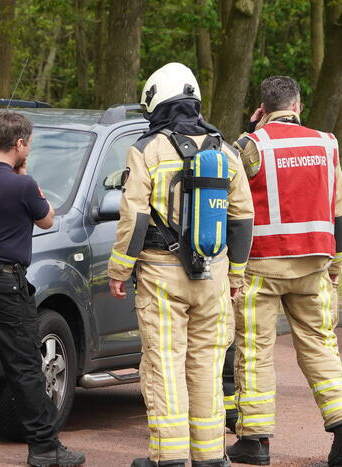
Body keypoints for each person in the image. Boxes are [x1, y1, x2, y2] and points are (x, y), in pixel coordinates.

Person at [108, 62, 254, 467]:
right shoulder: (226, 150)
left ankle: (168, 458)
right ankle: (210, 457)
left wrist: (119, 270)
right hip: (215, 275)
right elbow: (243, 218)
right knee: (207, 365)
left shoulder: (146, 150)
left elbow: (134, 218)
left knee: (165, 365)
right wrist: (237, 274)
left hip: (161, 275)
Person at [227, 76, 342, 467]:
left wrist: (254, 130)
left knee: (254, 351)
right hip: (314, 266)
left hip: (262, 266)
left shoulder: (249, 145)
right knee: (321, 346)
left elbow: (236, 206)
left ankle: (255, 441)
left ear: (263, 108)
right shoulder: (327, 143)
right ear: (298, 106)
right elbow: (340, 215)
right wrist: (336, 266)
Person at [0, 110, 85, 467]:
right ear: (20, 143)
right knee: (24, 364)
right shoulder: (24, 186)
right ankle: (44, 447)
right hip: (6, 282)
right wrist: (27, 177)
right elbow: (47, 218)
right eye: (29, 143)